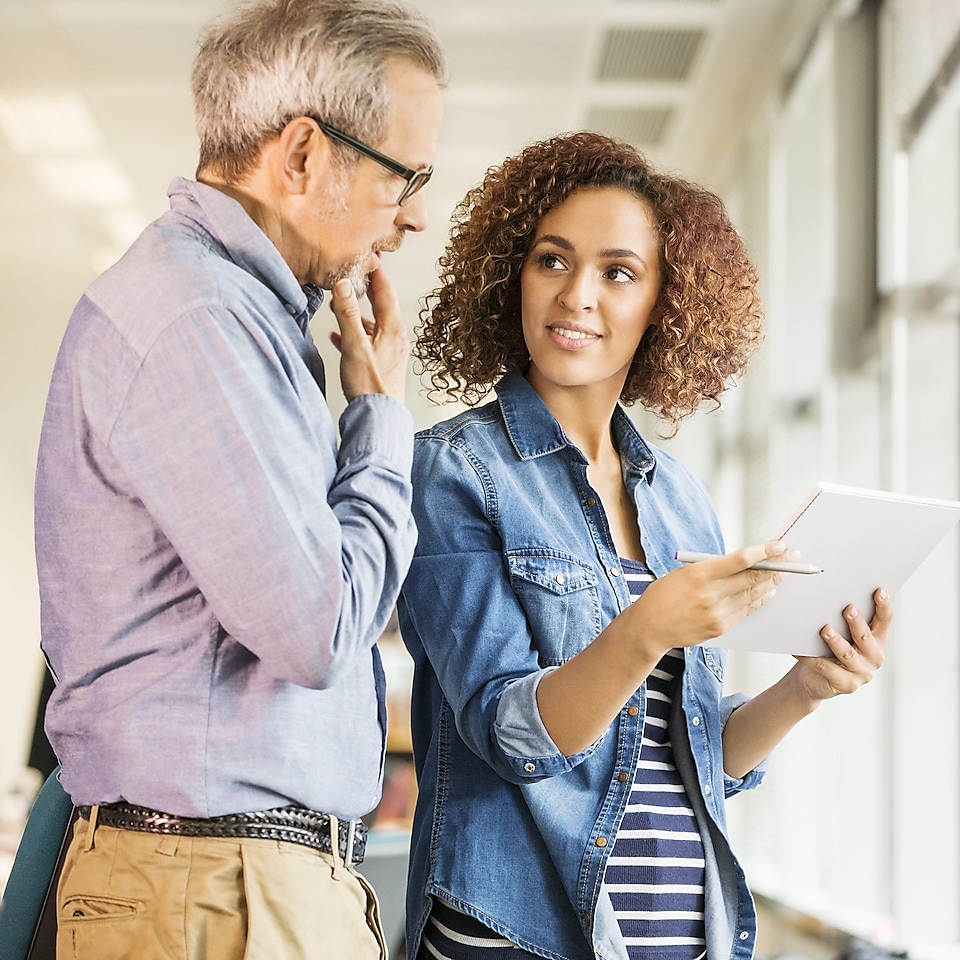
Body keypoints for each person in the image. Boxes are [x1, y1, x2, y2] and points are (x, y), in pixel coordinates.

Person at [397, 131, 890, 960]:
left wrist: (804, 691)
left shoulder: (681, 502)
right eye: (552, 260)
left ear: (664, 303)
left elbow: (693, 758)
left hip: (680, 934)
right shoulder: (452, 473)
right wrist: (646, 628)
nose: (575, 295)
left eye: (617, 272)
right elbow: (512, 738)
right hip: (521, 936)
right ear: (511, 274)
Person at [33, 1, 445, 957]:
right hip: (212, 891)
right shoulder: (197, 320)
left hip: (229, 884)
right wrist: (379, 417)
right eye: (406, 175)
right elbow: (316, 630)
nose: (417, 213)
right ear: (301, 155)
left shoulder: (243, 322)